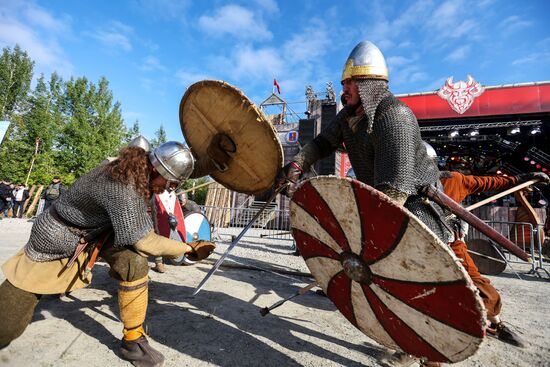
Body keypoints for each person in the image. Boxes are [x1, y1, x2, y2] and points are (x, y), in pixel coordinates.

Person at [0, 138, 232, 367]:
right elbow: (145, 242)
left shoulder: (143, 169)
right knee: (7, 326)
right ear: (155, 168)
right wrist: (189, 248)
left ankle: (133, 341)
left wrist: (211, 162)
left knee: (133, 262)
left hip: (97, 234)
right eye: (170, 183)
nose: (170, 188)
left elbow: (175, 172)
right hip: (55, 238)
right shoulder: (122, 184)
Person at [280, 40, 452, 244]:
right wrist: (298, 164)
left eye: (349, 82)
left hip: (416, 208)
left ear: (368, 83)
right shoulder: (348, 116)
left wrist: (366, 227)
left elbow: (395, 190)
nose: (344, 89)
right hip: (381, 204)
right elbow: (322, 143)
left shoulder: (394, 115)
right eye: (343, 83)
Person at [434, 146, 550, 347]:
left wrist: (520, 179)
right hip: (421, 246)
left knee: (478, 285)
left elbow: (489, 181)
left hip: (450, 243)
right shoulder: (404, 184)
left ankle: (496, 325)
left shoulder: (453, 180)